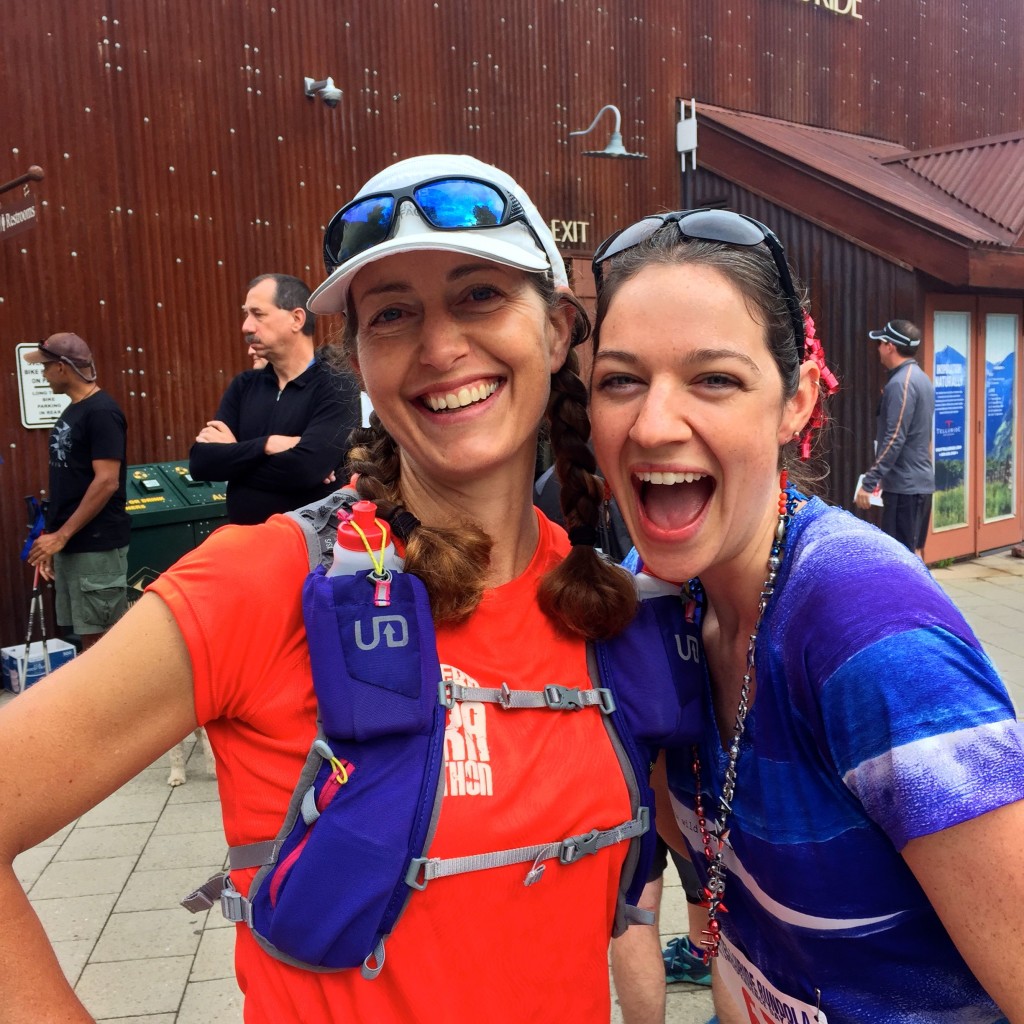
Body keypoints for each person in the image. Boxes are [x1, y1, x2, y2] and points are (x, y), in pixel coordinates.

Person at [0, 154, 668, 1024]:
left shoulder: (599, 600)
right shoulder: (266, 581)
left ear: (555, 331)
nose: (439, 347)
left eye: (478, 296)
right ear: (361, 360)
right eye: (393, 315)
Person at [588, 208, 1024, 1023]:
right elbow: (740, 925)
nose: (652, 424)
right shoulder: (651, 607)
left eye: (713, 378)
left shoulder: (869, 632)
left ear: (795, 402)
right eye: (621, 380)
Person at [189, 273, 361, 524]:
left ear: (296, 319)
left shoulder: (336, 384)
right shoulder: (244, 386)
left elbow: (306, 469)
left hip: (308, 551)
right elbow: (201, 463)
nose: (246, 327)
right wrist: (268, 444)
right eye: (246, 314)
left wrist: (233, 458)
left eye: (258, 314)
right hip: (246, 544)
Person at [22, 332, 130, 650]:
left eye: (45, 367)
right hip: (74, 544)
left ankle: (116, 701)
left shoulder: (102, 412)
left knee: (103, 642)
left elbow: (107, 481)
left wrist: (61, 536)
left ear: (62, 368)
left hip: (96, 547)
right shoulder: (75, 410)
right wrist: (55, 541)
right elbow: (70, 482)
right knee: (86, 636)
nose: (42, 374)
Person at [854, 318, 935, 557]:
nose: (878, 348)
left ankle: (913, 597)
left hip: (905, 488)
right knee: (913, 553)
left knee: (901, 557)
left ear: (890, 346)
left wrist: (869, 482)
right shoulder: (920, 377)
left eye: (880, 342)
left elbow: (894, 438)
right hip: (917, 484)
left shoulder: (902, 383)